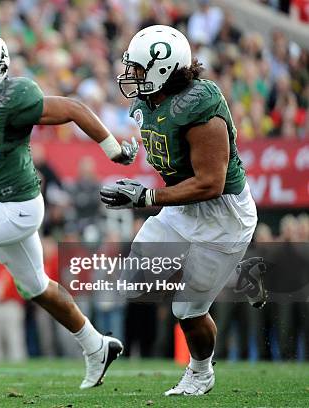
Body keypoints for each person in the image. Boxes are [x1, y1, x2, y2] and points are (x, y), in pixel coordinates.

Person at [0, 32, 137, 389]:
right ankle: (96, 346)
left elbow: (75, 108)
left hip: (17, 205)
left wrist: (112, 148)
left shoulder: (15, 97)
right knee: (37, 287)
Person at [101, 25, 258, 395]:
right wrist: (130, 154)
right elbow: (162, 142)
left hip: (222, 215)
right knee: (137, 275)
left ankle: (201, 372)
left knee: (187, 311)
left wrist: (146, 199)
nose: (132, 77)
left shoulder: (199, 104)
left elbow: (210, 183)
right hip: (182, 207)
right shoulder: (147, 101)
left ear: (162, 69)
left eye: (140, 69)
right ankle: (229, 275)